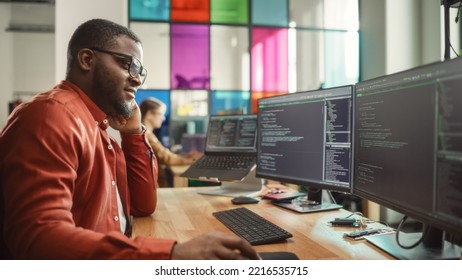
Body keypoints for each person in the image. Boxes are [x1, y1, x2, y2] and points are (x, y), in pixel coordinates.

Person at [0, 18, 258, 260]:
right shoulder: (52, 116)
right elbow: (38, 238)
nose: (137, 79)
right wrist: (171, 254)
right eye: (128, 65)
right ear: (87, 59)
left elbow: (143, 205)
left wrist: (133, 134)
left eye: (140, 71)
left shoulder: (98, 128)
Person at [139, 97, 202, 187]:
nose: (163, 118)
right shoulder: (146, 135)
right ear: (149, 114)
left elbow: (163, 154)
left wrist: (185, 156)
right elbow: (166, 158)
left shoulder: (146, 133)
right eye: (160, 114)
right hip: (154, 185)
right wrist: (192, 160)